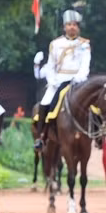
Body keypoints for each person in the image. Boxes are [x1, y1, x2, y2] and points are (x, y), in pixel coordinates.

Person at [34, 10, 91, 150]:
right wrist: (52, 80)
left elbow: (85, 65)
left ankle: (97, 136)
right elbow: (51, 65)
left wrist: (79, 78)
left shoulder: (84, 44)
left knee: (94, 106)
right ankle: (41, 136)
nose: (72, 27)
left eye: (75, 25)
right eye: (69, 24)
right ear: (64, 27)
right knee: (45, 103)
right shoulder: (55, 44)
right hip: (58, 81)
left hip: (78, 81)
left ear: (78, 27)